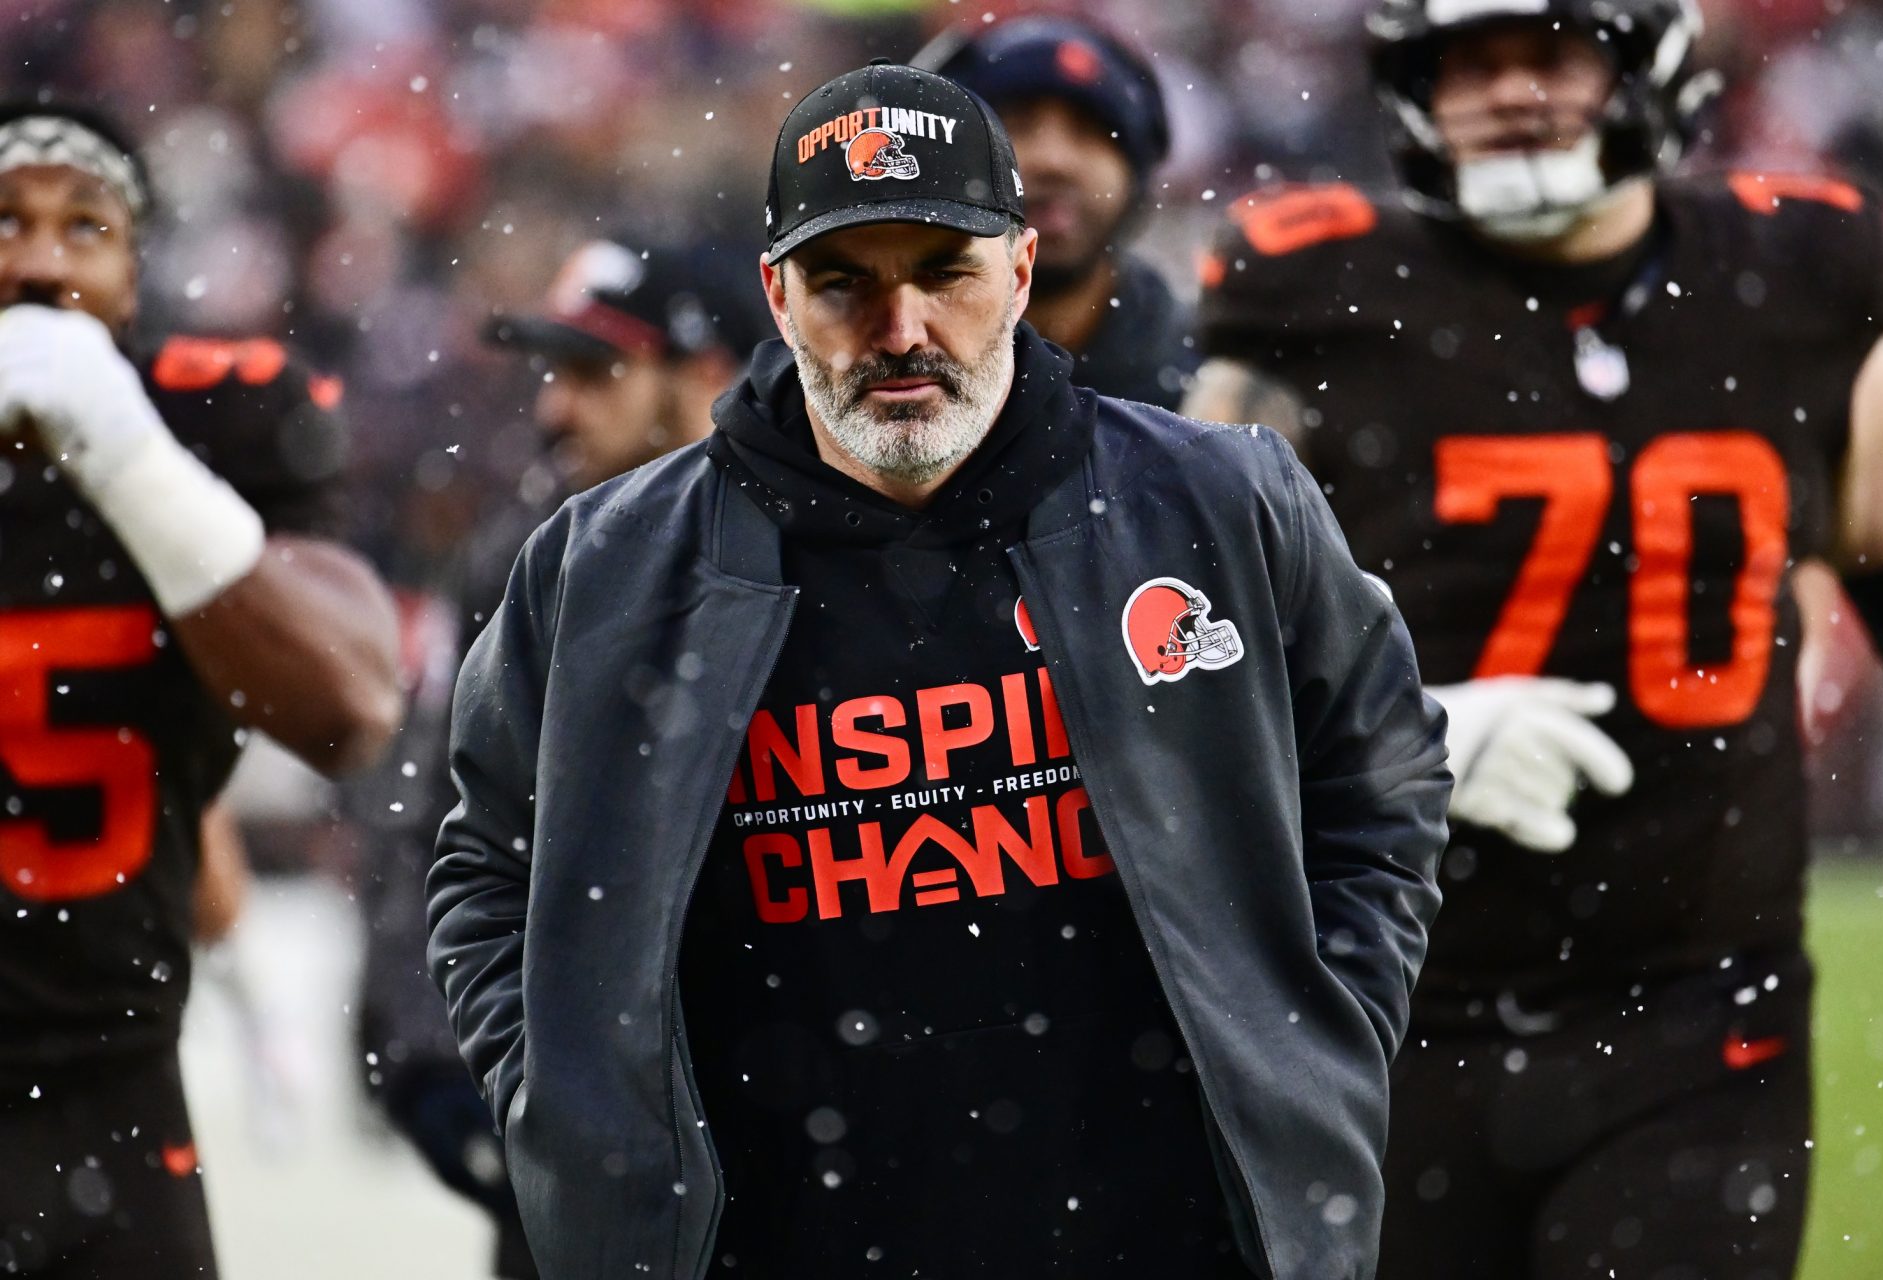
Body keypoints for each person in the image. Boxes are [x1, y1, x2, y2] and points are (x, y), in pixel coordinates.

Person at [429, 60, 1450, 1280]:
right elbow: (488, 862)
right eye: (845, 282)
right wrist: (569, 1102)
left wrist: (1320, 1033)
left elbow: (1383, 772)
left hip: (1166, 1237)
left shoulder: (1219, 502)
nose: (900, 330)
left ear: (1020, 270)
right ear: (778, 294)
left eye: (944, 272)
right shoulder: (603, 569)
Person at [1184, 0, 1883, 1273]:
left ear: (1648, 62)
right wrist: (1417, 736)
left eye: (1551, 54)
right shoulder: (1320, 295)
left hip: (1699, 1002)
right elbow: (1186, 625)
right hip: (1392, 994)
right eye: (1468, 62)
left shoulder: (1789, 278)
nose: (1511, 92)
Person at [0, 98, 402, 1275]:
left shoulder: (208, 423)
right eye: (6, 221)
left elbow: (349, 710)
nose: (38, 257)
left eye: (85, 226)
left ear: (133, 282)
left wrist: (124, 453)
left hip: (106, 1080)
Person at [352, 234, 764, 1280]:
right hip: (584, 1128)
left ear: (706, 372)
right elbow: (427, 815)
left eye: (595, 372)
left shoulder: (808, 546)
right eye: (554, 373)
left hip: (795, 1110)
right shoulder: (522, 556)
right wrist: (432, 1054)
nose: (554, 409)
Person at [915, 17, 1198, 407]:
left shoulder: (1207, 382)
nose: (1054, 161)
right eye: (1015, 124)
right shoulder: (847, 369)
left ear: (1136, 177)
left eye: (1091, 131)